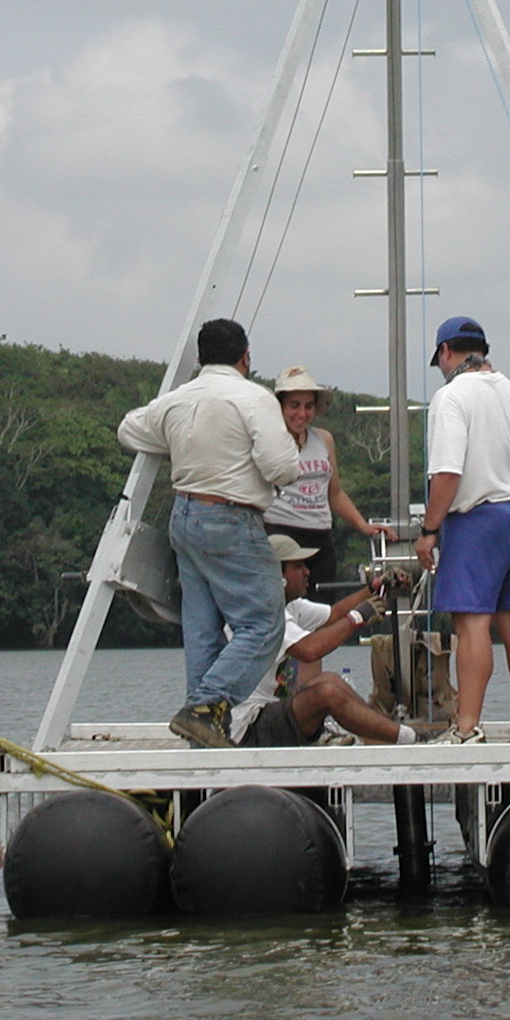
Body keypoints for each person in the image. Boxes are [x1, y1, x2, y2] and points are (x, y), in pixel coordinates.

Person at [116, 318, 299, 749]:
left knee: (201, 629)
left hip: (185, 517)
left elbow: (128, 429)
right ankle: (207, 705)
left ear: (199, 358)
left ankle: (204, 728)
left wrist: (180, 441)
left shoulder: (179, 400)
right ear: (246, 357)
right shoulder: (253, 398)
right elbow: (282, 468)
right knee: (263, 624)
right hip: (232, 519)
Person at [413, 316, 510, 744]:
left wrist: (429, 530)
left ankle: (467, 726)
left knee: (471, 624)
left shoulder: (451, 397)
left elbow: (448, 474)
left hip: (476, 518)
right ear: (483, 350)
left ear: (445, 353)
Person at [231, 534, 421, 746]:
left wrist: (375, 587)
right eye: (299, 566)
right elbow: (310, 649)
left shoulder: (288, 606)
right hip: (248, 727)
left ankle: (389, 734)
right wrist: (358, 617)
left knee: (329, 680)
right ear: (277, 575)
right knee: (326, 693)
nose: (307, 572)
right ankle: (411, 739)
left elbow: (334, 614)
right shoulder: (262, 613)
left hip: (268, 713)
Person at [264, 365, 392, 592]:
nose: (302, 414)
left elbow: (334, 493)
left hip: (320, 534)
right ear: (280, 406)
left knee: (322, 609)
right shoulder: (267, 439)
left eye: (308, 406)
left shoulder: (323, 439)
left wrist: (363, 525)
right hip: (281, 534)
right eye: (294, 405)